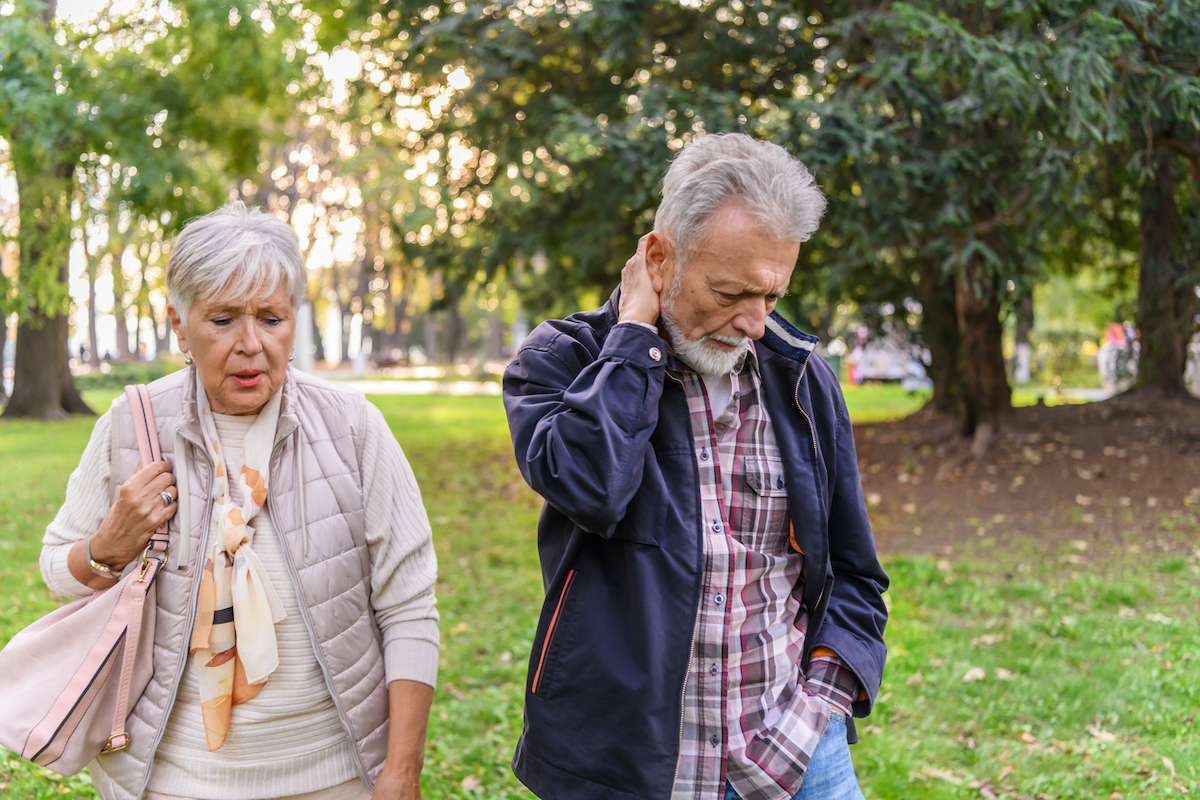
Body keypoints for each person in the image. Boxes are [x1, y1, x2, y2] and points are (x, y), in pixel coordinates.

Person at [502, 133, 889, 800]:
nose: (756, 322)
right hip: (633, 771)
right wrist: (632, 339)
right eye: (731, 291)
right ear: (658, 259)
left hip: (795, 751)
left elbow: (854, 572)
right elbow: (592, 487)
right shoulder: (564, 360)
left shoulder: (800, 378)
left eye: (772, 295)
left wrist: (823, 699)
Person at [39, 201, 439, 800]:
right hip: (173, 781)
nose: (252, 345)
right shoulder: (132, 424)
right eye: (223, 320)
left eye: (271, 319)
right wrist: (107, 546)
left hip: (334, 777)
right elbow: (56, 572)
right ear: (179, 323)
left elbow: (408, 604)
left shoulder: (354, 427)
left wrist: (401, 771)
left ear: (293, 320)